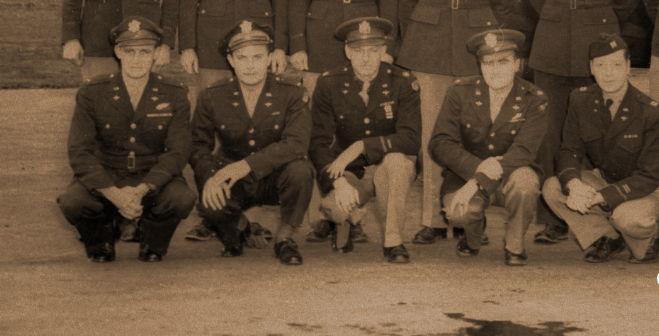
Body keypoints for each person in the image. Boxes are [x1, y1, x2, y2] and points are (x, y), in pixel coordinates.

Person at [396, 0, 513, 244]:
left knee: (473, 135)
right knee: (432, 135)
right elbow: (405, 0)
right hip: (428, 49)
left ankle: (466, 217)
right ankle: (432, 219)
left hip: (475, 50)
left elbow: (502, 3)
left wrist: (491, 52)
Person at [523, 0, 638, 244]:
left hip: (599, 44)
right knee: (551, 134)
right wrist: (562, 19)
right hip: (552, 45)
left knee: (597, 131)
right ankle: (554, 216)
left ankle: (598, 210)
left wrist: (597, 22)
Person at [57, 17, 195, 262]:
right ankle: (101, 239)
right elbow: (79, 151)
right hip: (108, 171)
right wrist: (113, 193)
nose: (137, 59)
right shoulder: (93, 92)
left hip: (150, 173)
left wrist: (143, 188)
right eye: (129, 51)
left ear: (155, 54)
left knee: (180, 198)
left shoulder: (174, 93)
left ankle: (152, 239)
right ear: (118, 51)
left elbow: (178, 151)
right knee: (73, 202)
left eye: (145, 51)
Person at [189, 20, 313, 265]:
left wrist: (245, 165)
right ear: (230, 60)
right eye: (242, 58)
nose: (250, 66)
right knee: (210, 204)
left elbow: (296, 143)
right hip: (232, 177)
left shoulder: (291, 92)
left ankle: (285, 238)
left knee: (301, 170)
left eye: (257, 57)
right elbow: (197, 145)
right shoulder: (212, 95)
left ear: (269, 59)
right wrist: (210, 178)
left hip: (275, 176)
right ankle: (240, 226)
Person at [542, 34, 659, 264]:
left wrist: (601, 197)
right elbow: (568, 151)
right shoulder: (580, 99)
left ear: (628, 66)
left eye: (616, 64)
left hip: (651, 184)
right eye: (600, 65)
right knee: (553, 188)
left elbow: (650, 175)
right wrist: (574, 185)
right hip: (608, 178)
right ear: (591, 67)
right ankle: (609, 237)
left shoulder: (651, 112)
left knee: (626, 219)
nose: (608, 73)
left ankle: (657, 233)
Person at [429, 29, 548, 266]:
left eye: (503, 62)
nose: (495, 70)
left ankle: (515, 246)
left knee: (526, 182)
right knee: (458, 212)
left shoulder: (534, 98)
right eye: (488, 63)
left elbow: (524, 151)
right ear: (480, 65)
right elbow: (440, 143)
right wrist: (477, 168)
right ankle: (472, 239)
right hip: (465, 174)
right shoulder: (460, 91)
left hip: (511, 175)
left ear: (516, 64)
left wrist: (478, 179)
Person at [309, 17, 420, 263]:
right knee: (334, 207)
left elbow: (411, 140)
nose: (366, 58)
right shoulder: (329, 83)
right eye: (359, 51)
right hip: (350, 172)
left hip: (388, 168)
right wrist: (338, 182)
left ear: (384, 51)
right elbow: (319, 143)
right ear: (347, 51)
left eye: (373, 51)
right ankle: (346, 222)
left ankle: (394, 241)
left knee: (396, 162)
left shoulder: (403, 82)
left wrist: (362, 145)